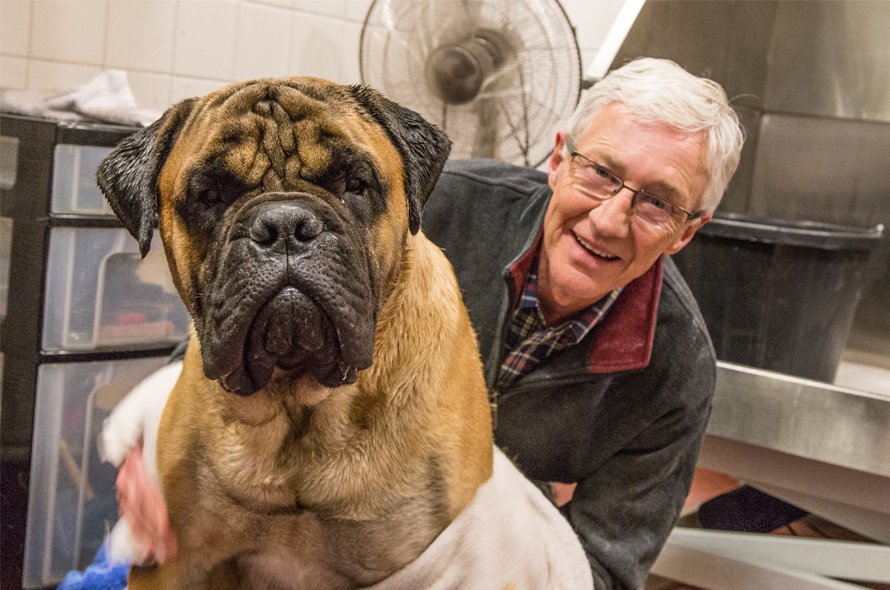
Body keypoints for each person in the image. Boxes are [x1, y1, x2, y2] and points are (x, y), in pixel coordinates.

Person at [114, 57, 745, 589]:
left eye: (657, 202)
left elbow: (604, 567)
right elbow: (227, 309)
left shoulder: (676, 368)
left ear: (689, 230)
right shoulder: (432, 203)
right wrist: (159, 430)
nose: (609, 219)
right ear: (558, 159)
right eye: (600, 172)